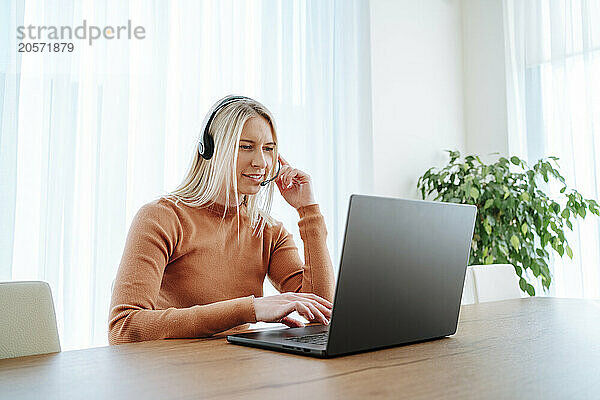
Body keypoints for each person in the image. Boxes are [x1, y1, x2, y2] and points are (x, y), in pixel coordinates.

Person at [108, 95, 335, 344]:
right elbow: (124, 328)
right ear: (212, 149)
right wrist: (251, 309)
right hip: (170, 372)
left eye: (269, 149)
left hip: (234, 369)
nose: (261, 162)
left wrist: (308, 211)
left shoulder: (267, 230)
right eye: (246, 146)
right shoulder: (162, 217)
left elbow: (321, 312)